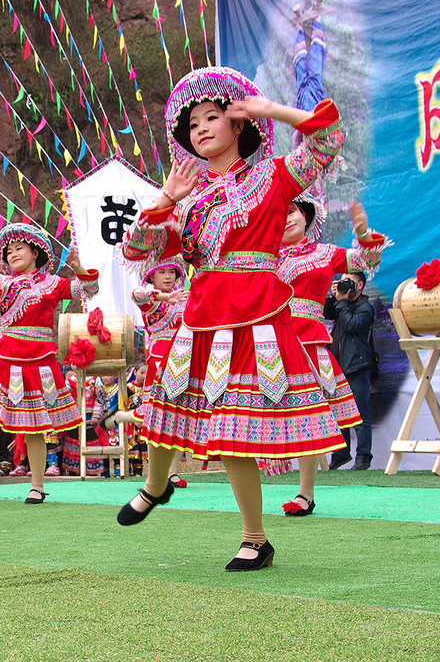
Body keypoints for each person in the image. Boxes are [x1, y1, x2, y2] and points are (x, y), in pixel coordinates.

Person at [116, 66, 346, 571]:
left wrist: (269, 110)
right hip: (202, 317)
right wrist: (165, 200)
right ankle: (156, 486)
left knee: (234, 428)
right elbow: (138, 250)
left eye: (211, 116)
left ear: (237, 124)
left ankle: (255, 538)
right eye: (192, 122)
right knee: (164, 406)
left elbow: (328, 139)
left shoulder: (273, 177)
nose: (199, 128)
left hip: (256, 314)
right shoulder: (189, 201)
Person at [0, 223, 99, 503]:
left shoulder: (53, 283)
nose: (12, 255)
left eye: (18, 248)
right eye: (7, 252)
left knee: (35, 426)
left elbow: (88, 289)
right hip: (8, 356)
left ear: (35, 252)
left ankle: (36, 485)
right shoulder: (2, 283)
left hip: (39, 360)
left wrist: (80, 267)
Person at [277, 188, 386, 515]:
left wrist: (363, 234)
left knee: (306, 417)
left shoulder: (324, 254)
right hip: (266, 342)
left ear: (306, 216)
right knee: (255, 415)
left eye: (292, 211)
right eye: (278, 213)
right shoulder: (260, 256)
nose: (285, 218)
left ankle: (304, 493)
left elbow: (364, 261)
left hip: (306, 342)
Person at [130, 257, 190, 487]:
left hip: (184, 359)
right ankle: (155, 473)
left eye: (172, 272)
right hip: (159, 362)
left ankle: (172, 472)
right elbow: (137, 294)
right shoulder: (150, 299)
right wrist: (166, 297)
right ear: (151, 277)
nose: (167, 276)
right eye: (161, 272)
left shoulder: (186, 299)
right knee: (159, 419)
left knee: (179, 417)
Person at [323, 270, 377, 471]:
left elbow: (352, 325)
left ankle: (363, 457)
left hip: (356, 367)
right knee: (338, 412)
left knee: (360, 414)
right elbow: (325, 312)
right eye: (342, 281)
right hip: (337, 367)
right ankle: (341, 453)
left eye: (349, 282)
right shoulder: (342, 304)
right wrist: (334, 296)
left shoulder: (365, 307)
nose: (345, 285)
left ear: (360, 285)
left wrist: (343, 302)